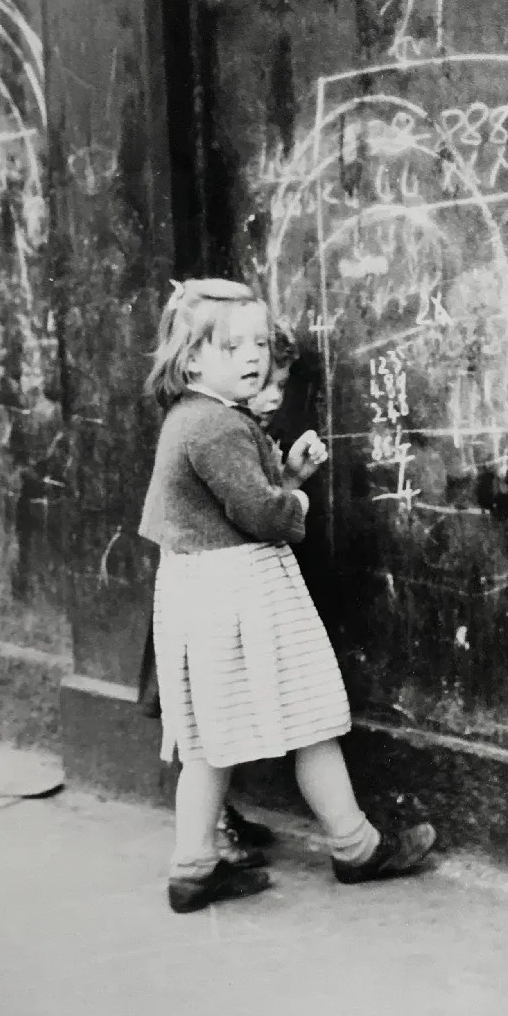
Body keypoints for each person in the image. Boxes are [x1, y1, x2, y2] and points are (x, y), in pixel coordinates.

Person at [139, 278, 436, 913]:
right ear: (191, 360)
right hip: (243, 592)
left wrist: (285, 474)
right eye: (233, 347)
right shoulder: (218, 426)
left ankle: (193, 868)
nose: (253, 357)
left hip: (202, 593)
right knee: (311, 717)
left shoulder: (194, 417)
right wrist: (295, 497)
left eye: (259, 344)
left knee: (208, 742)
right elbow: (261, 516)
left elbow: (231, 495)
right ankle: (356, 847)